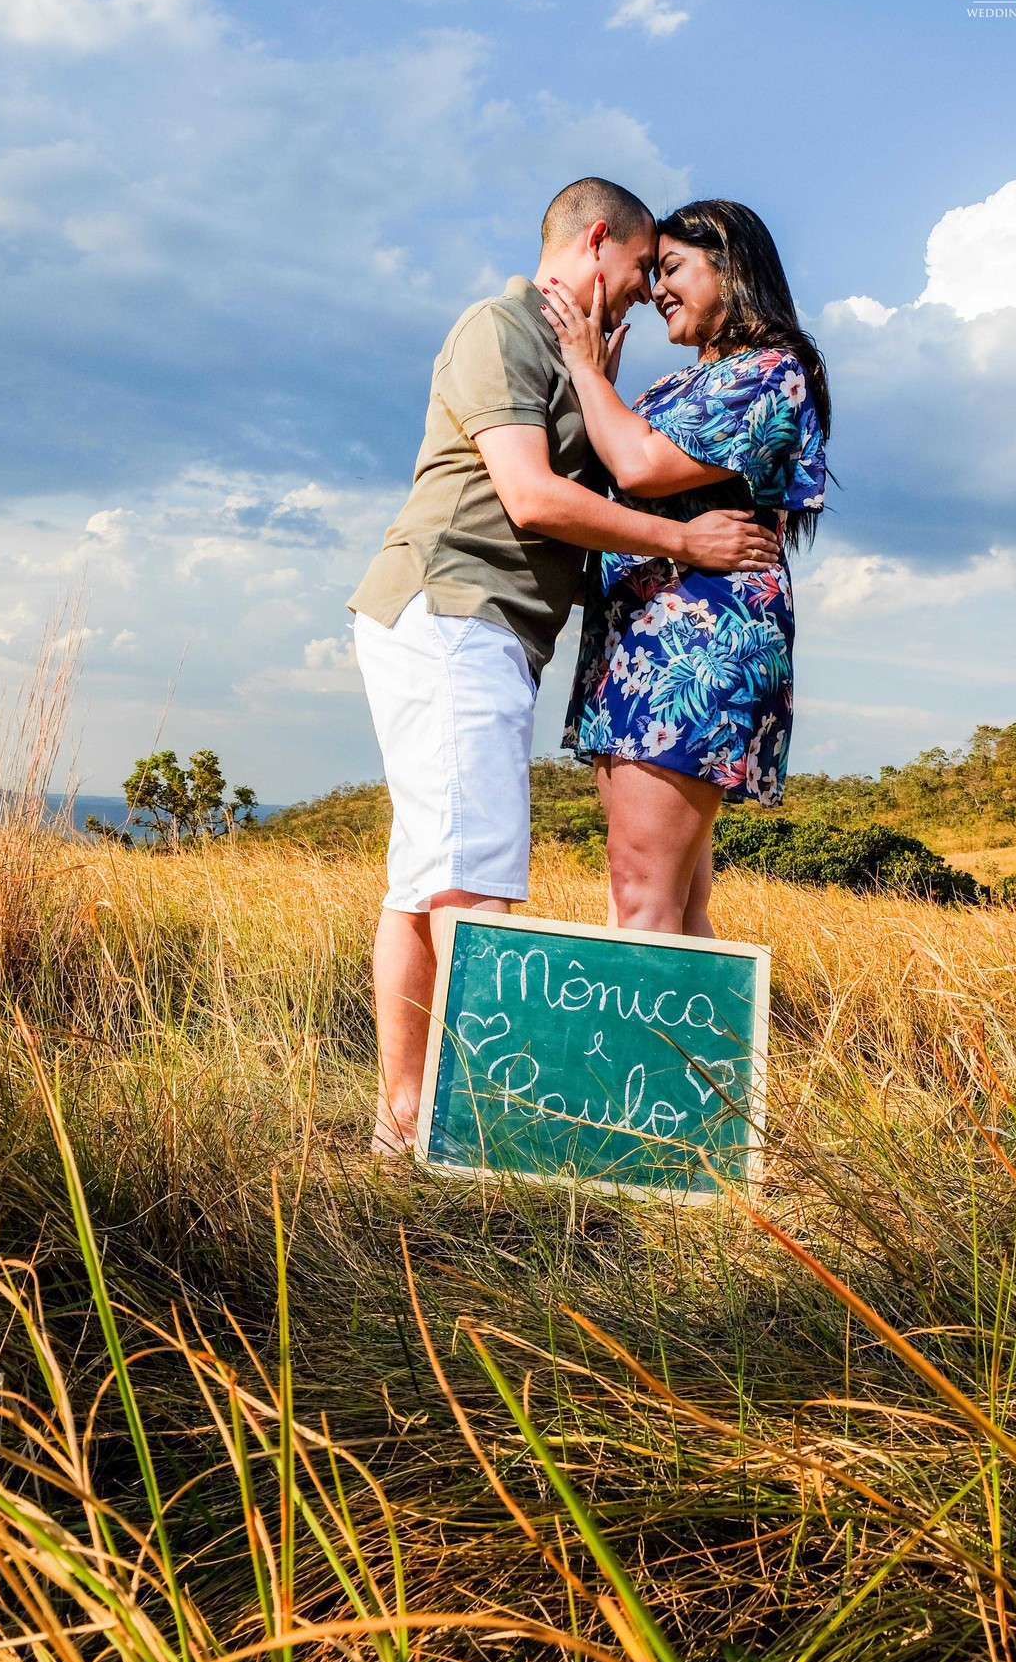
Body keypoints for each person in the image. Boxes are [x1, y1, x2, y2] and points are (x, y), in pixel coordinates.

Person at [349, 178, 780, 1154]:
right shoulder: (501, 327)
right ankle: (482, 1135)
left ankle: (404, 1124)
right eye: (640, 270)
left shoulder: (566, 352)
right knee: (474, 885)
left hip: (487, 624)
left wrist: (597, 387)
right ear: (597, 243)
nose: (644, 294)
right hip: (454, 609)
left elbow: (595, 500)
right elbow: (534, 500)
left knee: (424, 880)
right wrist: (691, 549)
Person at [545, 198, 830, 938]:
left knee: (641, 894)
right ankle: (693, 1056)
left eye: (671, 268)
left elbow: (638, 466)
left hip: (693, 649)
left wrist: (584, 369)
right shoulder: (668, 387)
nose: (657, 288)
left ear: (730, 266)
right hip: (638, 648)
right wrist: (599, 390)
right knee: (658, 897)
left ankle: (635, 1059)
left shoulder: (771, 370)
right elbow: (601, 494)